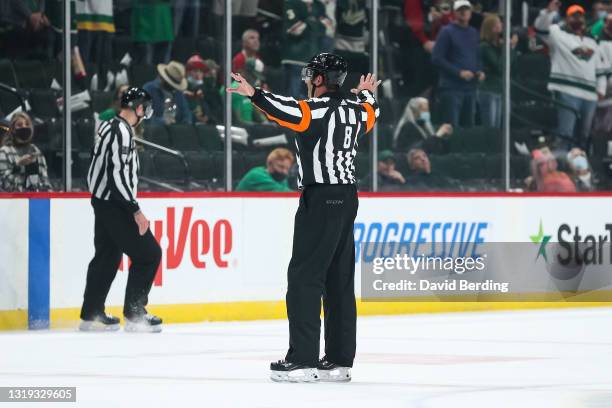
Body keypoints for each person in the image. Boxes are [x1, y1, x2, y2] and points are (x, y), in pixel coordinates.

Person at [227, 53, 380, 382]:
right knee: (339, 280)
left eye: (312, 75)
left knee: (305, 278)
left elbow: (284, 109)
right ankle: (339, 361)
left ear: (322, 79)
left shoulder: (315, 111)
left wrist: (253, 93)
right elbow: (373, 110)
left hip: (321, 197)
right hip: (348, 197)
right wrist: (366, 93)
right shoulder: (357, 111)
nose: (308, 80)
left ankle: (303, 359)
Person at [81, 87, 163, 333]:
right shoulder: (121, 131)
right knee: (149, 253)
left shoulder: (109, 126)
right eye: (145, 109)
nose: (145, 114)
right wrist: (134, 209)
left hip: (104, 201)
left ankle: (91, 314)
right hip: (115, 204)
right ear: (138, 108)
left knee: (107, 257)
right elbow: (116, 174)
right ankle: (135, 313)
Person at [535, 2, 609, 150]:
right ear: (567, 18)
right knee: (565, 134)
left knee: (584, 136)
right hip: (567, 91)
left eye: (580, 16)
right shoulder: (557, 34)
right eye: (574, 16)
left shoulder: (593, 39)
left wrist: (601, 89)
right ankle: (563, 167)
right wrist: (548, 13)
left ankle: (581, 168)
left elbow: (601, 68)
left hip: (590, 95)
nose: (577, 19)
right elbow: (540, 29)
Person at [432, 0, 484, 128]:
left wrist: (480, 70)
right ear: (455, 13)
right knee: (451, 127)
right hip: (451, 88)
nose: (464, 12)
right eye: (460, 9)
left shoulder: (473, 32)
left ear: (470, 12)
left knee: (469, 127)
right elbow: (437, 58)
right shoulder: (446, 31)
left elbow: (477, 56)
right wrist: (459, 73)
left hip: (470, 88)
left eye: (466, 9)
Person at [479, 13, 517, 128]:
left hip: (500, 89)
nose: (502, 26)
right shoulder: (485, 47)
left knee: (498, 127)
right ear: (492, 28)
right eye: (498, 24)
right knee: (491, 126)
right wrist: (508, 48)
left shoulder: (499, 46)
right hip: (489, 89)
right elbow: (500, 67)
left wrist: (509, 48)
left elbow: (510, 64)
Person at [282, 0, 326, 98]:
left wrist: (306, 22)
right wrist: (314, 22)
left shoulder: (318, 5)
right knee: (293, 99)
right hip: (294, 58)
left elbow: (326, 28)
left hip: (313, 59)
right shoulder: (291, 3)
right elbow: (294, 29)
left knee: (310, 99)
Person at [0, 112, 52, 192]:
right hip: (13, 201)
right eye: (20, 125)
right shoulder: (4, 152)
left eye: (27, 124)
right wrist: (18, 166)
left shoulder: (35, 151)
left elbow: (44, 180)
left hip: (34, 201)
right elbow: (3, 184)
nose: (24, 127)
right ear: (13, 129)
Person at [143, 61, 193, 125]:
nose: (174, 87)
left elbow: (186, 113)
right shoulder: (149, 89)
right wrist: (163, 122)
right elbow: (144, 116)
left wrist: (184, 125)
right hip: (155, 131)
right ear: (163, 78)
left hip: (176, 130)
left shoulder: (178, 93)